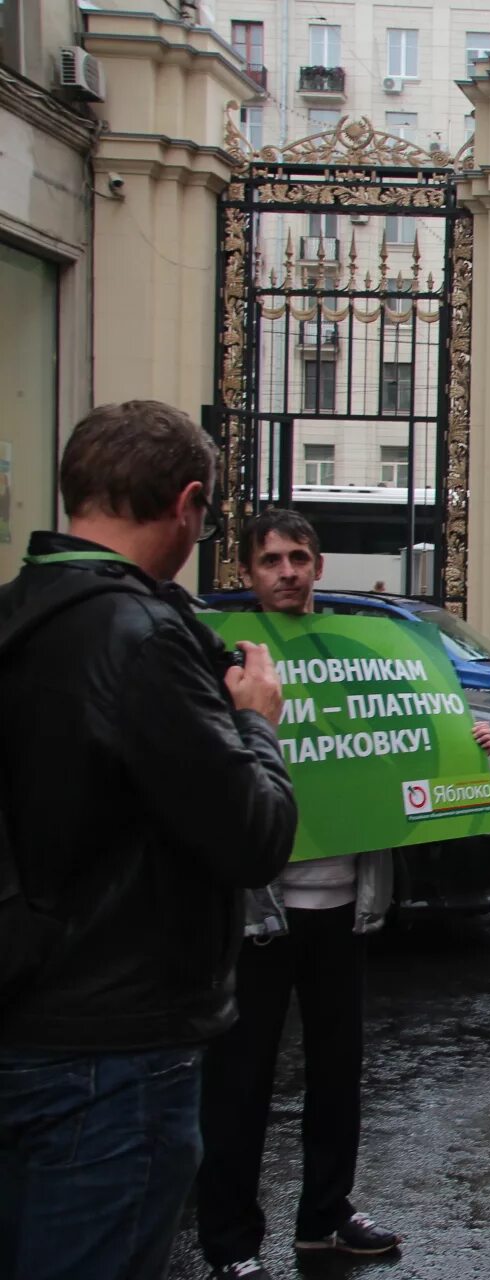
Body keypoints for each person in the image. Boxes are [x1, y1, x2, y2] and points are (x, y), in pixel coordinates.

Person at [0, 401, 299, 1280]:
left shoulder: (19, 613)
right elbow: (253, 836)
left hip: (25, 1009)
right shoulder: (142, 635)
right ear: (189, 504)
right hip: (112, 1050)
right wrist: (256, 724)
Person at [196, 510, 490, 1280]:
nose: (287, 571)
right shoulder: (221, 654)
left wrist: (464, 740)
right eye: (271, 560)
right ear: (248, 570)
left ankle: (324, 1217)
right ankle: (230, 1243)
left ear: (319, 566)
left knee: (337, 1074)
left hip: (343, 905)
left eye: (299, 557)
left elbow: (395, 735)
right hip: (259, 915)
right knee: (241, 1084)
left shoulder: (358, 652)